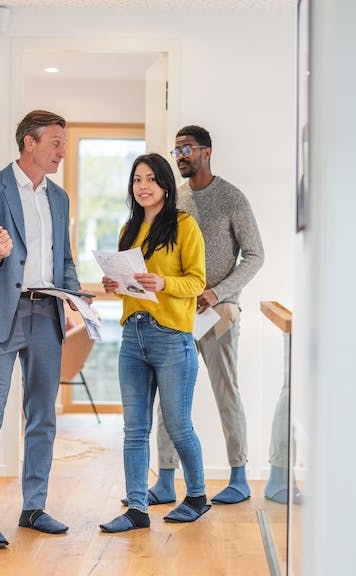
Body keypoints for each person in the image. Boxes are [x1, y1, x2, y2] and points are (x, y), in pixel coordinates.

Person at [0, 109, 84, 549]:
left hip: (46, 314)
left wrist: (75, 299)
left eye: (63, 144)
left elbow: (62, 260)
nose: (61, 151)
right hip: (0, 315)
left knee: (43, 417)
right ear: (28, 143)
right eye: (55, 143)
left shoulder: (60, 198)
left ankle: (33, 507)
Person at [149, 125, 265, 505]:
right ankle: (165, 480)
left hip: (219, 312)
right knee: (169, 398)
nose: (181, 155)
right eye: (177, 149)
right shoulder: (176, 200)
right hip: (179, 311)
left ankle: (239, 476)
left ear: (207, 152)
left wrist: (218, 293)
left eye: (188, 148)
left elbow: (254, 255)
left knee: (225, 390)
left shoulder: (232, 198)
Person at [98, 153, 210, 533]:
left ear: (165, 184)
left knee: (178, 424)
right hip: (134, 334)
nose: (142, 186)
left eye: (150, 179)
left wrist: (165, 283)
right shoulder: (128, 229)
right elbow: (130, 288)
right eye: (136, 180)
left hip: (172, 337)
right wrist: (115, 286)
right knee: (134, 428)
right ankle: (138, 510)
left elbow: (196, 281)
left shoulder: (184, 225)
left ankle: (196, 495)